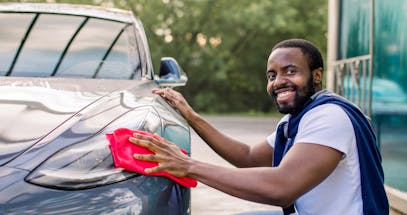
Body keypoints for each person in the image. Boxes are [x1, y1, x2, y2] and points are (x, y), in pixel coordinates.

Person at [129, 39, 389, 215]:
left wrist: (188, 166)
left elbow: (282, 188)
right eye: (272, 75)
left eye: (290, 71)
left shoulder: (329, 117)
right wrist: (191, 116)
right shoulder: (296, 119)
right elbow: (249, 157)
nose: (279, 81)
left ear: (317, 75)